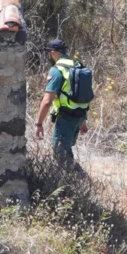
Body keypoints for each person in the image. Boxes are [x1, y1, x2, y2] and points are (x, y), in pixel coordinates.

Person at [35, 39, 88, 169]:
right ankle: (74, 182)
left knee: (61, 155)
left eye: (49, 53)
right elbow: (83, 95)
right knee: (66, 151)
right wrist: (83, 121)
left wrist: (39, 124)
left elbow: (47, 101)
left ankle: (75, 183)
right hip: (79, 115)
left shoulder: (57, 70)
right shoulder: (78, 66)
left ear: (53, 52)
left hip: (66, 117)